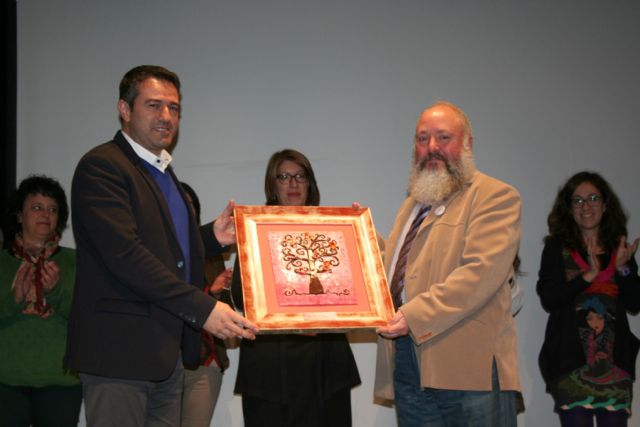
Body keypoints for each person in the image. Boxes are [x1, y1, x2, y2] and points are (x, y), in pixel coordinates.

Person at [64, 65, 257, 427]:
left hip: (166, 355)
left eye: (174, 108)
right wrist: (204, 309)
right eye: (154, 105)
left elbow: (165, 250)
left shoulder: (163, 171)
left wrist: (210, 237)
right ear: (125, 109)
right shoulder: (102, 166)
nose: (166, 116)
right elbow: (126, 255)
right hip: (118, 355)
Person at [374, 101, 521, 426]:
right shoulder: (412, 206)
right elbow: (398, 269)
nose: (431, 147)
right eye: (422, 139)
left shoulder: (495, 196)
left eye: (443, 137)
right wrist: (359, 241)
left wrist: (413, 316)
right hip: (408, 359)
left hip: (468, 366)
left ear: (467, 143)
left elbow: (479, 274)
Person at [230, 149, 361, 427]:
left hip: (324, 360)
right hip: (269, 363)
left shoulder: (334, 230)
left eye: (300, 176)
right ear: (272, 185)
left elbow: (353, 289)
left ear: (310, 183)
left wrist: (357, 239)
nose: (293, 183)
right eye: (284, 177)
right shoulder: (253, 231)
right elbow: (241, 295)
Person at [537, 171, 640, 426]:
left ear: (605, 205)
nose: (586, 206)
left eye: (593, 198)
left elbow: (635, 303)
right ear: (569, 209)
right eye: (578, 200)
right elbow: (549, 298)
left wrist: (623, 268)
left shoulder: (620, 248)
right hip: (571, 366)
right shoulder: (556, 248)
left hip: (615, 366)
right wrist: (587, 277)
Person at [0, 175, 82, 426]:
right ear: (19, 215)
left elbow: (87, 321)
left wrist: (55, 292)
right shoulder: (2, 262)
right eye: (37, 207)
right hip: (5, 382)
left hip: (60, 382)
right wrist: (14, 299)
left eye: (52, 209)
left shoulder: (76, 262)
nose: (46, 214)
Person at [180, 182, 232, 427]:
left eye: (190, 205)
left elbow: (225, 310)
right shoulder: (153, 253)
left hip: (205, 361)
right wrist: (208, 293)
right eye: (179, 204)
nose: (185, 210)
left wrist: (216, 293)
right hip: (165, 361)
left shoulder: (212, 252)